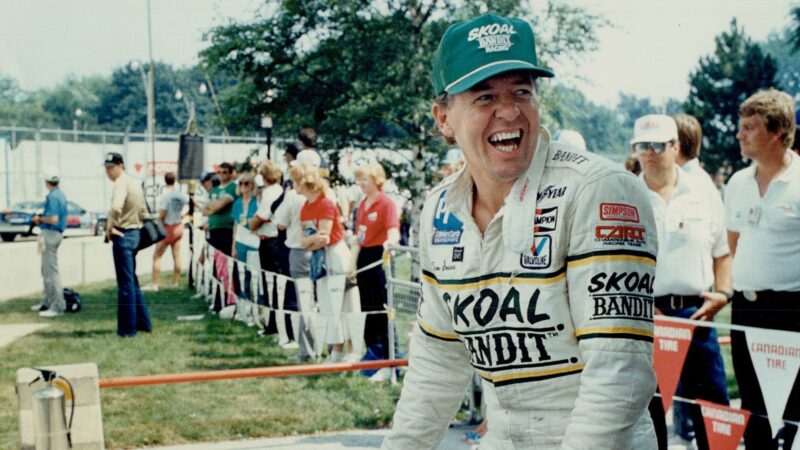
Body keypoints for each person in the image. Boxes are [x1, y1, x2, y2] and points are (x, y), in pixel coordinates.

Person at [382, 13, 658, 449]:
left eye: (522, 92)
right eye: (484, 96)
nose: (508, 111)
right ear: (443, 117)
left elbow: (618, 378)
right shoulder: (438, 210)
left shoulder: (600, 191)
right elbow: (437, 363)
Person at [634, 114, 731, 449]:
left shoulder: (703, 191)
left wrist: (723, 293)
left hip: (696, 315)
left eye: (658, 145)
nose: (649, 152)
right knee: (649, 415)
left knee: (713, 411)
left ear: (676, 147)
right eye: (642, 146)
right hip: (646, 318)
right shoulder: (624, 195)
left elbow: (722, 252)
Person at [725, 88, 800, 450]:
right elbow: (734, 241)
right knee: (753, 409)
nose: (740, 134)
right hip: (746, 308)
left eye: (749, 127)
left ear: (776, 132)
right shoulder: (737, 183)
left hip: (791, 311)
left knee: (792, 409)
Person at [292, 162, 360, 363]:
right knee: (328, 305)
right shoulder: (306, 207)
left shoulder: (325, 203)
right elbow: (305, 239)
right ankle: (336, 349)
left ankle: (352, 350)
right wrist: (311, 242)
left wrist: (310, 242)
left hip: (336, 256)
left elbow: (325, 237)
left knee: (346, 303)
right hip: (319, 259)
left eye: (295, 181)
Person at [346, 162, 400, 377]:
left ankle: (391, 356)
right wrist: (352, 264)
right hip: (363, 258)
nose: (361, 184)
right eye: (358, 180)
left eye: (365, 179)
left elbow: (393, 228)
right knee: (367, 307)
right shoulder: (362, 204)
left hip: (379, 257)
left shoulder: (386, 203)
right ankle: (373, 352)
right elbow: (359, 236)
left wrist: (391, 242)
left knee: (381, 307)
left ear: (376, 179)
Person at [273, 155, 320, 361]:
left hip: (300, 251)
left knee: (305, 302)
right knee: (319, 301)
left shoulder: (293, 195)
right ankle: (322, 347)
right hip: (319, 250)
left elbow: (280, 222)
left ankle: (306, 351)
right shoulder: (323, 193)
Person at [103, 152, 151, 337]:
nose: (109, 172)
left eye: (112, 167)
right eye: (107, 168)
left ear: (121, 165)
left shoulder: (121, 183)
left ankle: (127, 329)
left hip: (123, 234)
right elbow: (144, 210)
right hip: (135, 233)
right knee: (132, 281)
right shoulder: (134, 182)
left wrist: (110, 225)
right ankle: (143, 322)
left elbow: (116, 206)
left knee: (125, 285)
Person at [32, 167, 68, 317]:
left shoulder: (52, 197)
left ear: (47, 182)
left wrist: (39, 219)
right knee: (45, 270)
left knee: (51, 271)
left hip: (50, 233)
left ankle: (57, 305)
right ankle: (47, 301)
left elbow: (53, 219)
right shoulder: (60, 195)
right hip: (54, 234)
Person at [144, 172, 188, 291]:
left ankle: (154, 284)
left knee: (157, 256)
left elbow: (162, 214)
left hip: (168, 227)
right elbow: (188, 206)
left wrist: (158, 224)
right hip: (179, 225)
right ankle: (175, 282)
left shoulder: (165, 196)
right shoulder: (180, 195)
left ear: (165, 181)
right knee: (176, 256)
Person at [230, 172, 260, 300]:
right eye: (240, 183)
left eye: (246, 183)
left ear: (252, 185)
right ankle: (244, 301)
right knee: (242, 273)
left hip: (254, 241)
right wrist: (233, 246)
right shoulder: (237, 203)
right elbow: (235, 225)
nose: (243, 186)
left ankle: (259, 302)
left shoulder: (257, 201)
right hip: (241, 241)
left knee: (255, 274)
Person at [202, 162, 237, 256]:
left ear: (230, 173)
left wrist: (213, 207)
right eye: (219, 172)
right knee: (214, 261)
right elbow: (204, 211)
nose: (221, 174)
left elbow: (219, 205)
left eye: (224, 172)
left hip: (226, 229)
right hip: (213, 227)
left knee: (225, 261)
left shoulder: (233, 187)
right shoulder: (214, 189)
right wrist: (214, 207)